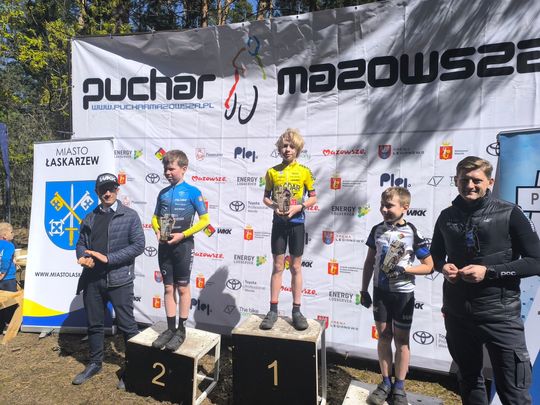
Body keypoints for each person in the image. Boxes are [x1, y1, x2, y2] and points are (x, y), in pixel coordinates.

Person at [430, 156, 540, 404]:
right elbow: (434, 256)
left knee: (513, 393)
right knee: (469, 383)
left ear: (490, 182)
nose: (469, 185)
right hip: (458, 315)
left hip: (500, 316)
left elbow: (536, 261)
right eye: (464, 180)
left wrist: (489, 271)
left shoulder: (510, 212)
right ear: (456, 181)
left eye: (476, 180)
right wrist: (442, 266)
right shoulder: (446, 216)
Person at [360, 187, 433, 405]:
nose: (384, 209)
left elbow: (429, 266)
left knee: (401, 341)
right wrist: (364, 289)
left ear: (405, 207)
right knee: (384, 337)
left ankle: (399, 387)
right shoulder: (377, 230)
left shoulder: (412, 232)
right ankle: (385, 383)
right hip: (380, 292)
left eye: (389, 206)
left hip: (403, 295)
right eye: (382, 205)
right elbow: (369, 262)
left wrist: (405, 269)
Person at [73, 173, 144, 388]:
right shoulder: (89, 217)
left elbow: (138, 245)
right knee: (94, 324)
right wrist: (82, 257)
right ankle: (95, 363)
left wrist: (109, 258)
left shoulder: (130, 215)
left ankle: (134, 367)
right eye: (103, 189)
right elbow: (81, 243)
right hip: (92, 280)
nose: (107, 193)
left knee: (127, 326)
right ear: (97, 192)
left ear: (117, 190)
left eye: (111, 188)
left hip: (119, 280)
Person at [151, 150, 210, 351]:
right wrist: (157, 230)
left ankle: (181, 330)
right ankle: (170, 329)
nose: (167, 172)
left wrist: (183, 235)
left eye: (171, 169)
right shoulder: (162, 193)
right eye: (165, 169)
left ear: (184, 169)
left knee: (183, 288)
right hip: (164, 246)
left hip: (183, 246)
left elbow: (205, 220)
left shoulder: (193, 192)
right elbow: (154, 217)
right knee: (168, 288)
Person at [260, 128, 317, 331]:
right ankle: (273, 310)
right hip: (279, 224)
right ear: (279, 149)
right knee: (277, 266)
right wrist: (274, 206)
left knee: (295, 267)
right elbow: (265, 198)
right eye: (284, 146)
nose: (287, 149)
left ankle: (296, 311)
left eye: (292, 146)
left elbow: (313, 198)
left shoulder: (304, 171)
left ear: (298, 149)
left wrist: (299, 206)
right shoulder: (272, 172)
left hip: (297, 224)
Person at [0, 222, 18, 333]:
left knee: (1, 302)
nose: (13, 234)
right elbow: (6, 258)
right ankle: (8, 325)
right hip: (8, 279)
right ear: (5, 235)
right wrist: (2, 272)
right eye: (11, 232)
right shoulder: (9, 245)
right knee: (10, 302)